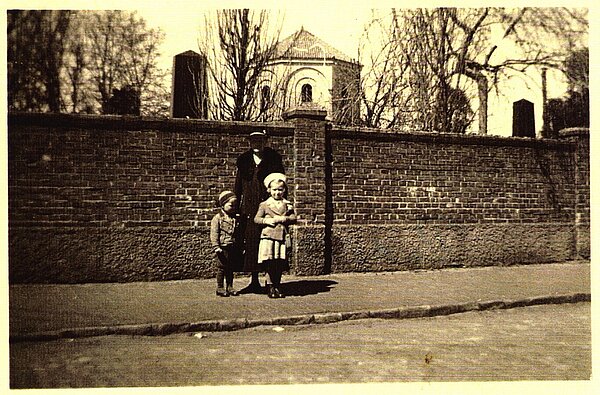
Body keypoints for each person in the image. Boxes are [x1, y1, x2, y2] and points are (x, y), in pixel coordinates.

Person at [235, 130, 285, 293]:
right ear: (250, 142)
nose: (257, 144)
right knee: (251, 244)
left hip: (268, 209)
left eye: (260, 141)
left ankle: (270, 282)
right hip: (249, 210)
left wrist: (281, 206)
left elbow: (282, 186)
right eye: (254, 141)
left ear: (265, 142)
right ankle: (254, 280)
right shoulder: (243, 161)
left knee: (270, 244)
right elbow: (238, 187)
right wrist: (236, 208)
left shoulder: (274, 160)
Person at [254, 173, 296, 298]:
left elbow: (294, 218)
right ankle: (270, 286)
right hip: (269, 237)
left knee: (279, 263)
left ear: (284, 190)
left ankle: (278, 285)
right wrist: (266, 221)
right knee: (270, 262)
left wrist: (284, 218)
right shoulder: (265, 205)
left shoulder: (287, 204)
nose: (277, 192)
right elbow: (256, 219)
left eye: (280, 190)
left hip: (281, 237)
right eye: (274, 190)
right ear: (269, 190)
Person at [210, 190, 242, 297]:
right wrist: (216, 246)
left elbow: (238, 233)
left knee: (230, 268)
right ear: (223, 205)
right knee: (222, 268)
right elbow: (214, 233)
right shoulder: (218, 218)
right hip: (222, 247)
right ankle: (220, 287)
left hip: (232, 246)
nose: (233, 207)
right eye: (230, 205)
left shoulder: (235, 218)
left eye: (235, 205)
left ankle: (230, 286)